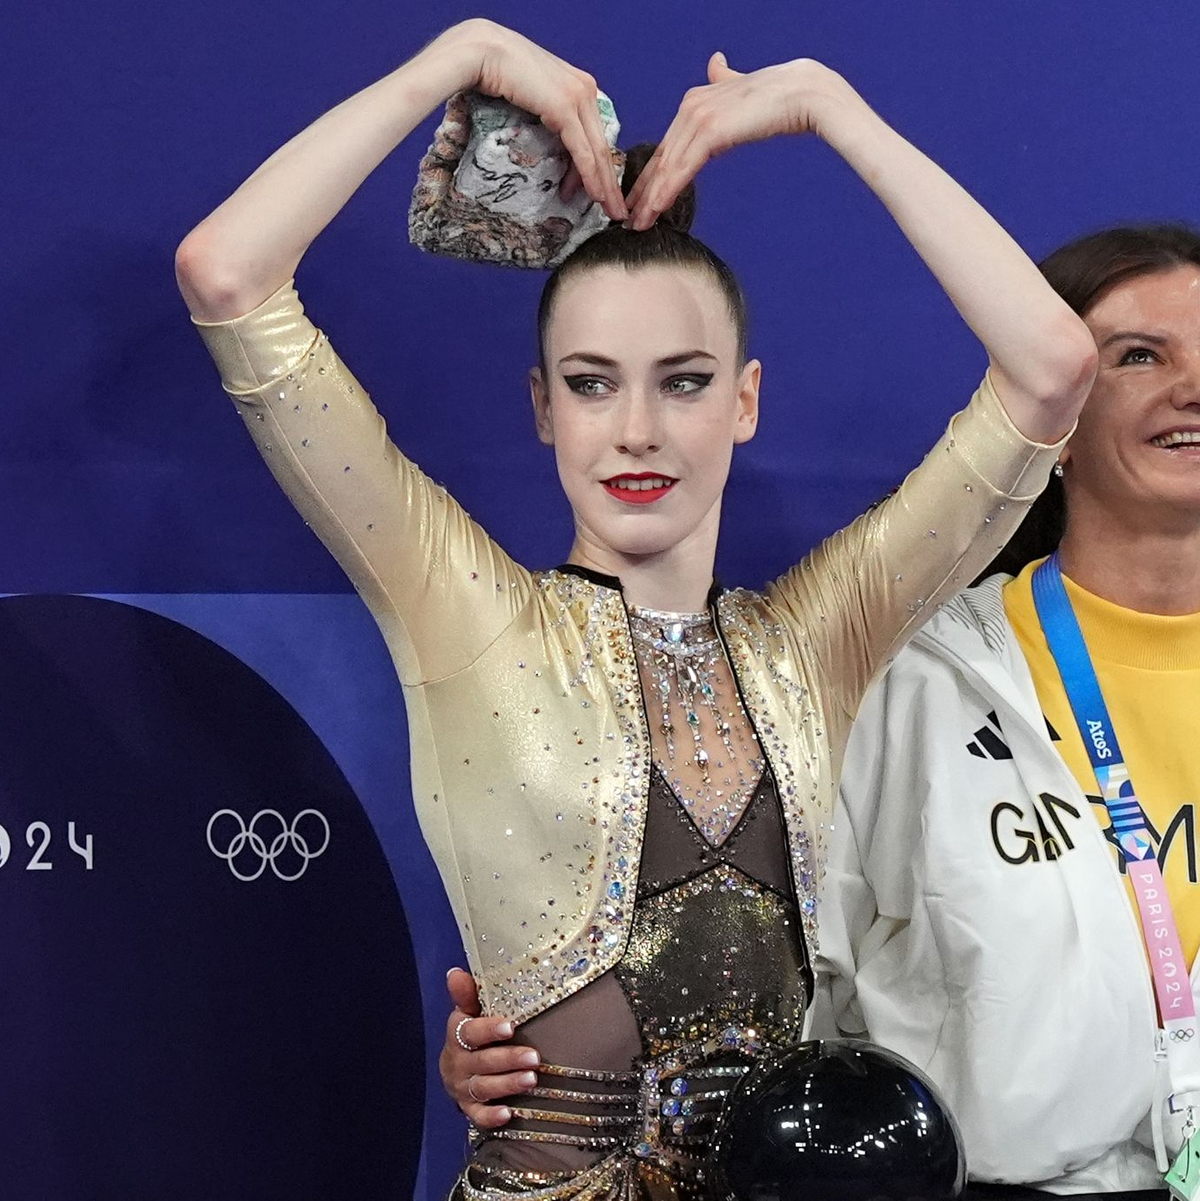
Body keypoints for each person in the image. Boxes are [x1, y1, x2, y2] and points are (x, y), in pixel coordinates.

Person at [175, 17, 1094, 1198]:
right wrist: (449, 62)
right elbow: (229, 276)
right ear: (542, 405)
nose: (639, 431)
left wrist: (831, 107)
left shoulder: (817, 637)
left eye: (685, 381)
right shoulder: (464, 610)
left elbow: (1050, 369)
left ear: (747, 400)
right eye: (593, 383)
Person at [441, 227, 1200, 1199]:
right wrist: (544, 1040)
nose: (1189, 384)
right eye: (1140, 354)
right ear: (1060, 426)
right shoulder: (916, 677)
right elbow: (768, 973)